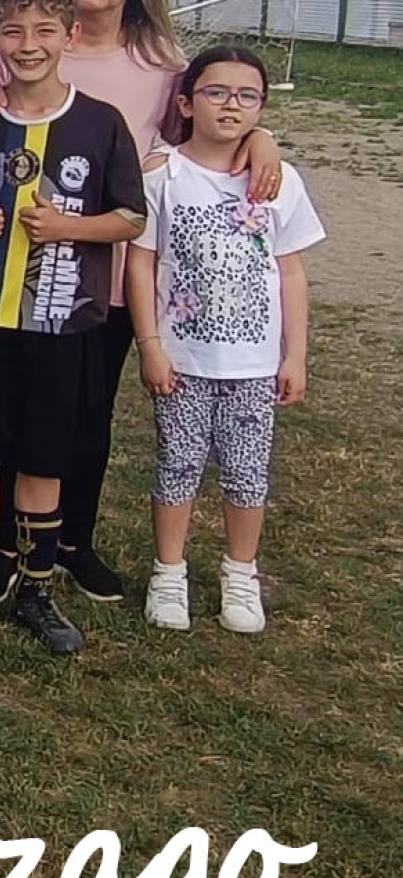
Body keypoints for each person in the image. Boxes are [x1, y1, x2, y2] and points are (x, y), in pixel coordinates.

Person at [0, 0, 280, 603]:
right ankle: (5, 541)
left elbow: (212, 128)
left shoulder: (161, 66)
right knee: (16, 410)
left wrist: (263, 139)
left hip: (109, 275)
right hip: (21, 272)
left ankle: (70, 540)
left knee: (85, 414)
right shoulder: (21, 48)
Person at [0, 0, 145, 663]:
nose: (29, 45)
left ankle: (36, 592)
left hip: (62, 325)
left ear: (69, 35)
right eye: (14, 32)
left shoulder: (100, 124)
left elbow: (131, 216)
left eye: (44, 30)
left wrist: (70, 228)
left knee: (45, 461)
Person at [127, 47, 323, 634]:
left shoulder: (278, 180)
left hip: (255, 365)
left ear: (261, 108)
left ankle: (241, 574)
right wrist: (150, 345)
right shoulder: (162, 174)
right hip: (183, 360)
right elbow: (141, 263)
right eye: (216, 92)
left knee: (246, 473)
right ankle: (169, 574)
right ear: (187, 103)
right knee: (177, 466)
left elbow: (291, 272)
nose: (230, 105)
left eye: (247, 96)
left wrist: (294, 355)